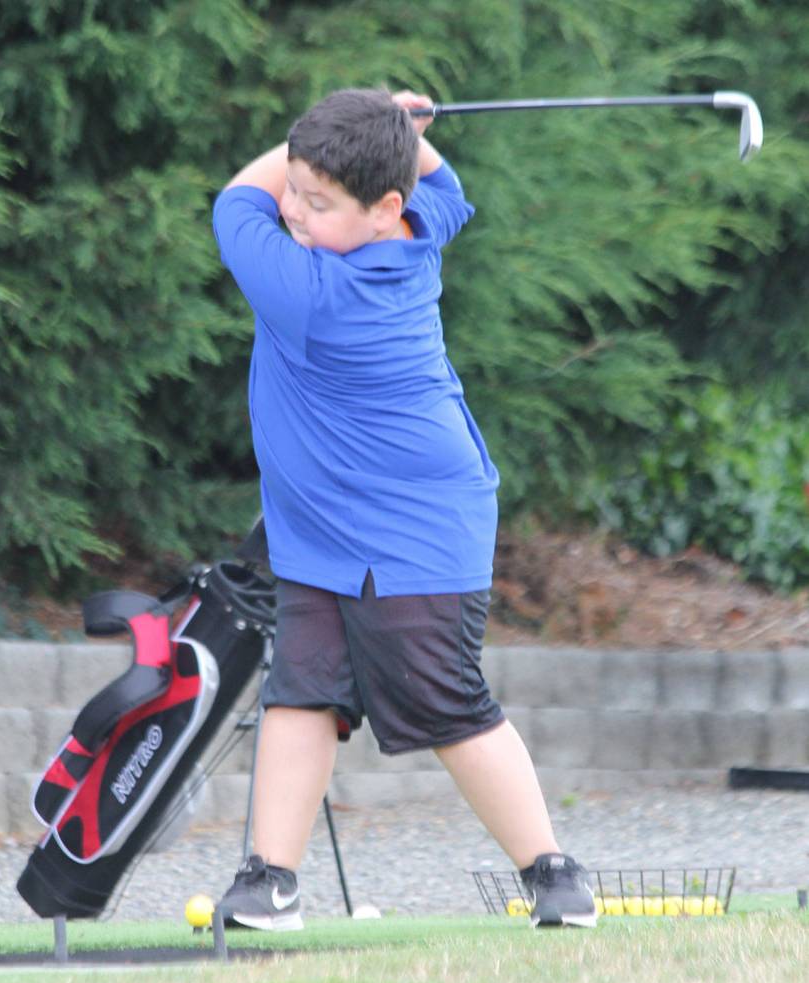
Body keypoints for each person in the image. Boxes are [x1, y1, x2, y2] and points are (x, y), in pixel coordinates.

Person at [210, 87, 596, 930]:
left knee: (445, 702)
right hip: (321, 530)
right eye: (297, 195)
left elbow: (236, 196)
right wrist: (400, 139)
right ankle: (270, 878)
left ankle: (554, 874)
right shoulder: (417, 234)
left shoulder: (307, 292)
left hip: (415, 530)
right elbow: (444, 190)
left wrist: (365, 126)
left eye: (318, 200)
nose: (295, 211)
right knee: (302, 690)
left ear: (384, 209)